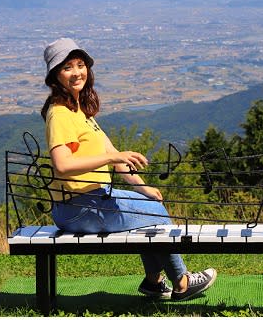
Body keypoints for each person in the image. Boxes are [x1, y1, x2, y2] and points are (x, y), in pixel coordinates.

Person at [40, 37, 217, 301]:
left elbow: (113, 155)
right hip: (77, 207)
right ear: (56, 76)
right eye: (67, 67)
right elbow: (63, 165)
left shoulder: (80, 110)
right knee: (156, 214)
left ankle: (153, 283)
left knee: (150, 206)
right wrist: (111, 160)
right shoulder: (60, 114)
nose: (77, 72)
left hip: (93, 199)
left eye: (80, 65)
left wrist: (143, 187)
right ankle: (181, 282)